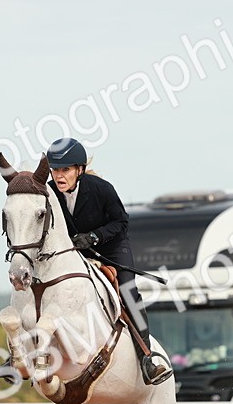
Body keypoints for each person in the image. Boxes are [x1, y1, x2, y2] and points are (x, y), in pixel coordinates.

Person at [44, 137, 172, 385]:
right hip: (76, 252)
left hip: (112, 247)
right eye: (55, 169)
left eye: (65, 170)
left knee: (127, 290)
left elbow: (121, 222)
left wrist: (94, 237)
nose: (59, 176)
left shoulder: (101, 188)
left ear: (79, 170)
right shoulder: (50, 194)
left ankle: (148, 357)